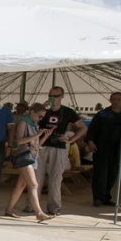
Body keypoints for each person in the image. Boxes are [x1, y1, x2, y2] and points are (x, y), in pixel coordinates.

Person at [34, 86, 87, 215]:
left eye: (56, 96)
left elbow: (83, 128)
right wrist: (42, 110)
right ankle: (32, 205)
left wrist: (71, 139)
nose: (52, 98)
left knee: (55, 177)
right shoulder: (43, 110)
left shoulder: (68, 112)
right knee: (36, 177)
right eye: (50, 95)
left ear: (62, 96)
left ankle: (54, 207)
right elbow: (31, 122)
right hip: (41, 144)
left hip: (59, 145)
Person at [4, 103, 55, 221]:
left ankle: (9, 208)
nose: (40, 119)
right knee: (34, 184)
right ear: (32, 112)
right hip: (25, 157)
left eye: (42, 117)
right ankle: (39, 212)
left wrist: (45, 136)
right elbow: (19, 141)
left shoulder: (34, 124)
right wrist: (37, 134)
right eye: (39, 116)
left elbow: (37, 144)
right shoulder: (23, 122)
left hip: (32, 157)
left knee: (21, 185)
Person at [87, 92, 121, 207]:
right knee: (100, 173)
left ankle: (106, 197)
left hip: (118, 149)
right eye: (113, 99)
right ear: (110, 100)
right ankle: (98, 198)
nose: (115, 101)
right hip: (102, 147)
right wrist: (90, 142)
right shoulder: (102, 114)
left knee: (113, 174)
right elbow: (92, 130)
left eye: (118, 99)